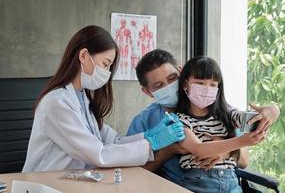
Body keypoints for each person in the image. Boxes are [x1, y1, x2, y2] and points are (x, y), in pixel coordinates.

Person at [22, 26, 185, 173]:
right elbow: (98, 154)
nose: (106, 73)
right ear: (84, 56)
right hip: (45, 184)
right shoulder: (56, 103)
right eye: (105, 64)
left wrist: (148, 135)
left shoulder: (82, 100)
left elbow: (113, 141)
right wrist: (152, 143)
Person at [127, 49, 280, 185]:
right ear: (147, 92)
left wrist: (272, 109)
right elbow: (132, 174)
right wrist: (168, 152)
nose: (169, 86)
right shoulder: (144, 122)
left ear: (181, 73)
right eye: (159, 85)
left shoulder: (219, 109)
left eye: (173, 78)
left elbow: (244, 161)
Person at [176, 56, 270, 192]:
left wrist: (265, 115)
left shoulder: (226, 115)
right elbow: (199, 149)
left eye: (213, 85)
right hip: (198, 182)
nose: (207, 89)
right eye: (200, 83)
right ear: (185, 85)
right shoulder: (179, 120)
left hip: (231, 181)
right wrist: (241, 141)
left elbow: (245, 119)